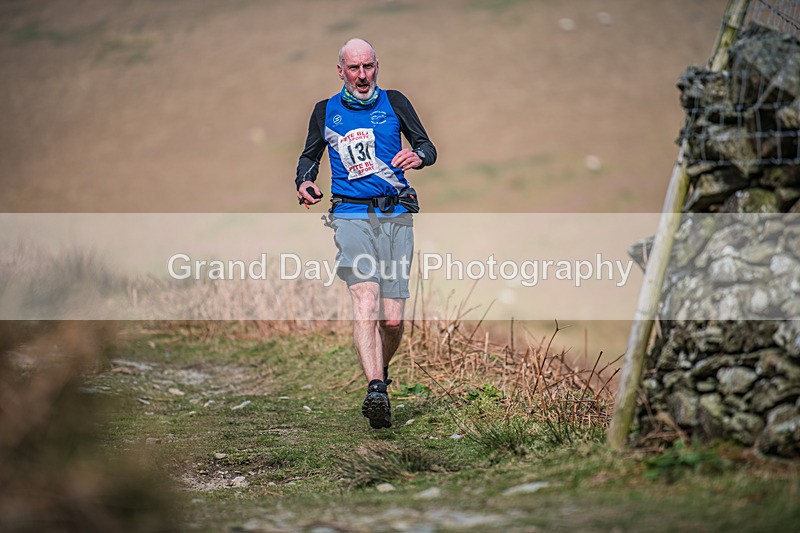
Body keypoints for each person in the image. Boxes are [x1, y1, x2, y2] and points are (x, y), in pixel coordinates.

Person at [294, 38, 436, 429]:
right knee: (366, 299)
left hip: (396, 215)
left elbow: (427, 145)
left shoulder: (395, 101)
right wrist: (304, 182)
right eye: (354, 68)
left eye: (368, 67)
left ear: (377, 66)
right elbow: (309, 156)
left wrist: (419, 156)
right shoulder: (325, 111)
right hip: (350, 215)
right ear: (340, 70)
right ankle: (375, 387)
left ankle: (380, 377)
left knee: (391, 321)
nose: (362, 75)